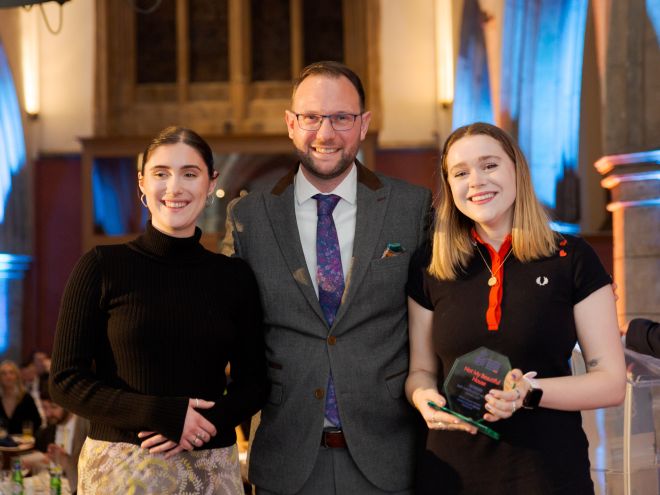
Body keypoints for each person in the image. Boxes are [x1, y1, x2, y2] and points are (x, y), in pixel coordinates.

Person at [225, 61, 432, 494]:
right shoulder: (250, 217)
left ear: (363, 125)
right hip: (287, 458)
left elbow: (443, 307)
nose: (325, 133)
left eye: (341, 117)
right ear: (290, 123)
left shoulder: (411, 209)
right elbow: (218, 320)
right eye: (311, 117)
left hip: (388, 457)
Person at [405, 122, 627, 494]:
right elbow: (422, 370)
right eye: (460, 172)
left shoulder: (571, 258)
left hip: (547, 474)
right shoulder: (430, 264)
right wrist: (422, 397)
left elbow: (610, 382)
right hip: (449, 476)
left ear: (516, 171)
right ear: (449, 186)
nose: (475, 181)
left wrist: (529, 392)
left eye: (489, 165)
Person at [50, 126, 267, 494]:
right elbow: (65, 382)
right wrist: (162, 415)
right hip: (122, 470)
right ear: (141, 185)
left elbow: (256, 383)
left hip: (209, 470)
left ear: (210, 183)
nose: (174, 188)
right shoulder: (101, 266)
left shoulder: (234, 277)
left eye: (189, 174)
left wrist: (205, 424)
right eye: (161, 173)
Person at [20, 378, 89, 493]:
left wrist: (67, 462)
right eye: (44, 407)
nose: (48, 413)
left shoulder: (86, 431)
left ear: (68, 403)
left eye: (53, 407)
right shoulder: (45, 433)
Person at [0, 360, 41, 435]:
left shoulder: (26, 398)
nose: (8, 376)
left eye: (11, 372)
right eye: (4, 373)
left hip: (24, 443)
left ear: (17, 376)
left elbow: (37, 422)